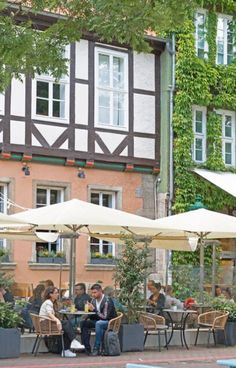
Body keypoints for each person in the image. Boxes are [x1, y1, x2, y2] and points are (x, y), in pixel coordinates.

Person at [39, 286, 85, 358]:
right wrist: (57, 320)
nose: (58, 294)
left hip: (48, 323)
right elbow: (49, 314)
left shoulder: (52, 302)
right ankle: (73, 341)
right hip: (47, 325)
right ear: (50, 294)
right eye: (56, 293)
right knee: (66, 323)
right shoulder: (48, 302)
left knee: (66, 326)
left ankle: (66, 350)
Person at [80, 283, 117, 356]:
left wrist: (94, 310)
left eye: (95, 292)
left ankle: (96, 348)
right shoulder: (93, 301)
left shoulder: (107, 301)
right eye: (92, 293)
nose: (93, 295)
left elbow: (105, 317)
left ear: (100, 291)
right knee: (83, 323)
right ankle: (86, 347)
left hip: (109, 322)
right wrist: (89, 310)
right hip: (98, 320)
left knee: (99, 323)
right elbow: (93, 316)